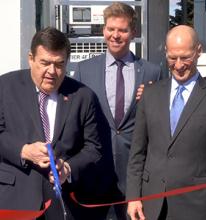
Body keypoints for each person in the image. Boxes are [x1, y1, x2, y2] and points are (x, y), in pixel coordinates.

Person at [0, 27, 108, 220]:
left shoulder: (83, 96)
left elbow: (95, 148)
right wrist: (23, 151)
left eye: (59, 64)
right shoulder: (5, 87)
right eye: (45, 63)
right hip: (15, 201)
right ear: (31, 58)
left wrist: (68, 168)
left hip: (64, 206)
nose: (52, 71)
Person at [73, 2, 162, 219]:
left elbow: (159, 123)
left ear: (133, 32)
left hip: (136, 176)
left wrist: (153, 98)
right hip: (94, 175)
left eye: (122, 30)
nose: (115, 35)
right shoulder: (84, 70)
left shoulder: (152, 72)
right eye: (110, 29)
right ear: (103, 30)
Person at [126, 25, 206, 220]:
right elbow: (137, 152)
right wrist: (133, 197)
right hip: (152, 204)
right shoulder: (150, 95)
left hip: (197, 207)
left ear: (198, 51)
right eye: (172, 58)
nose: (178, 65)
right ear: (166, 52)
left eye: (185, 57)